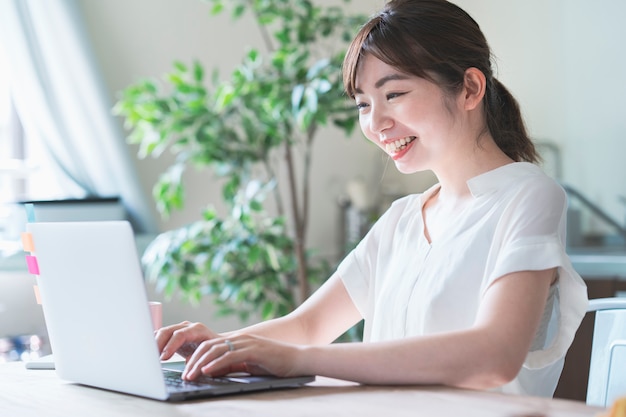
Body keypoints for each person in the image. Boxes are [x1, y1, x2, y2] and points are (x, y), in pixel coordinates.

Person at [156, 0, 588, 397]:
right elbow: (308, 325)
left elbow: (494, 356)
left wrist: (297, 362)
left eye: (394, 94)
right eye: (363, 104)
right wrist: (215, 346)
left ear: (470, 89)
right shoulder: (402, 219)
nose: (377, 122)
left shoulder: (528, 195)